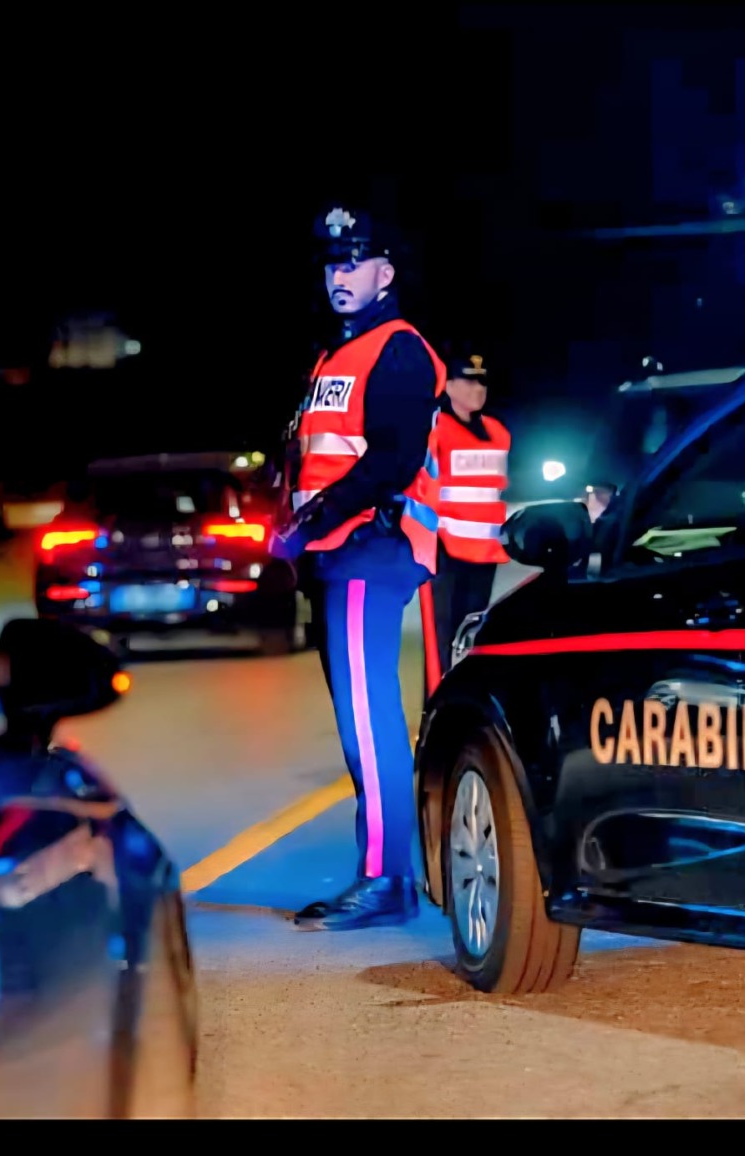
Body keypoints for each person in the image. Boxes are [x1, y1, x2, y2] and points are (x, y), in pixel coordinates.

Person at [271, 205, 446, 931]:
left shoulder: (399, 349)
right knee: (357, 724)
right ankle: (384, 875)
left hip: (370, 549)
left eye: (354, 263)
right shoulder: (332, 355)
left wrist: (315, 518)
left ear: (386, 272)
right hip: (332, 554)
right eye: (331, 264)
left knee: (371, 726)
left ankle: (385, 880)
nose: (339, 277)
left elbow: (394, 459)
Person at [423, 348, 511, 693]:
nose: (477, 390)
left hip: (484, 552)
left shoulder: (498, 432)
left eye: (482, 383)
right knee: (442, 636)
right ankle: (437, 705)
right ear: (449, 387)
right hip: (445, 548)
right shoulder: (435, 431)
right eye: (469, 382)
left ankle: (467, 702)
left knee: (473, 635)